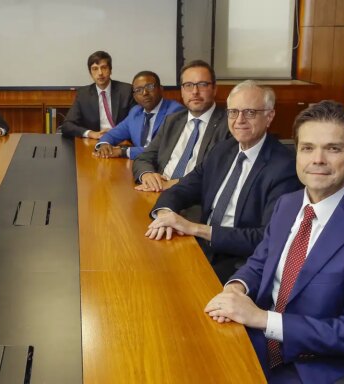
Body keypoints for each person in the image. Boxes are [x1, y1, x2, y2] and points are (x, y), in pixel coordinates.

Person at [204, 100, 344, 383]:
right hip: (261, 340)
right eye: (307, 148)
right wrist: (236, 289)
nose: (318, 160)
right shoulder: (287, 205)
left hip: (319, 366)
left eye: (333, 148)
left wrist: (262, 319)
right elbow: (260, 261)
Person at [146, 81, 302, 282]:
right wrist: (165, 215)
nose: (239, 120)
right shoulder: (223, 150)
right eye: (233, 112)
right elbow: (183, 188)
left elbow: (266, 238)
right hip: (201, 247)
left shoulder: (284, 167)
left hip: (241, 263)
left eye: (250, 113)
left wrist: (195, 228)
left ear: (269, 116)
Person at [132, 60, 229, 192]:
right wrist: (147, 175)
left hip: (193, 200)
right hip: (156, 192)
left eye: (202, 84)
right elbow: (144, 157)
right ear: (182, 91)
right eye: (188, 85)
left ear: (214, 89)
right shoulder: (172, 121)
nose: (195, 91)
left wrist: (173, 184)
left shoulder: (229, 125)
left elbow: (218, 175)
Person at [93, 70, 184, 159]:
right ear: (135, 96)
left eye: (149, 87)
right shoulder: (136, 112)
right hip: (141, 164)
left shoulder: (175, 111)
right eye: (138, 90)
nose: (145, 93)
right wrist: (104, 144)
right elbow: (113, 134)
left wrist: (124, 151)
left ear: (160, 89)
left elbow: (162, 149)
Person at [60, 51, 135, 139]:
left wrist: (116, 133)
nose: (100, 73)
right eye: (95, 69)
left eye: (103, 68)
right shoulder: (83, 94)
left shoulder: (127, 91)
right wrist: (91, 133)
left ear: (110, 70)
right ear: (90, 73)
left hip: (122, 139)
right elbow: (67, 125)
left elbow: (135, 122)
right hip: (95, 141)